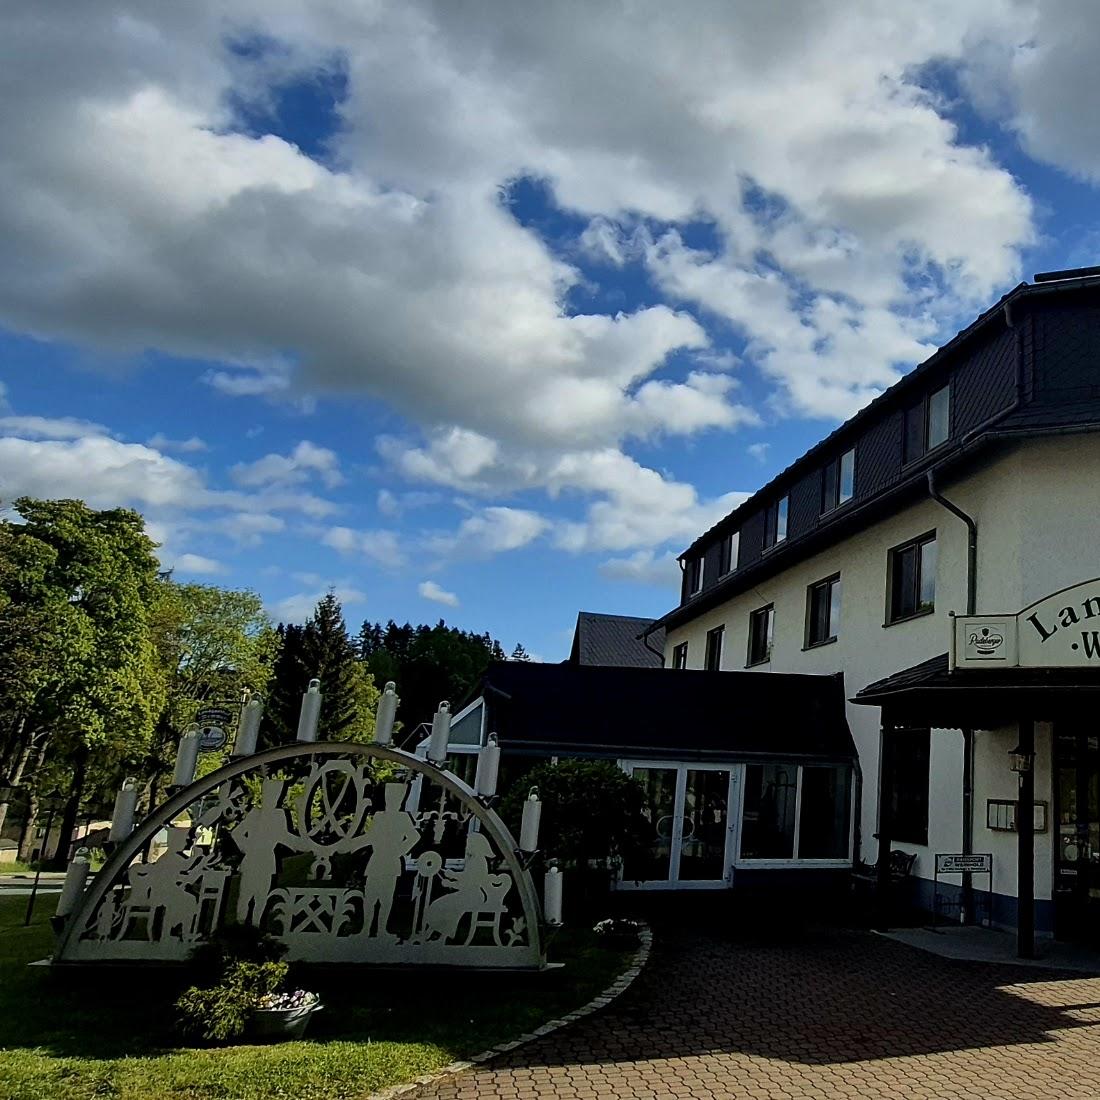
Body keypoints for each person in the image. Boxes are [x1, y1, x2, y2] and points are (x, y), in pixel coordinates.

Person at [360, 783, 421, 939]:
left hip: (391, 862)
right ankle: (366, 928)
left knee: (386, 898)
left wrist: (399, 851)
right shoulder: (380, 816)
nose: (392, 801)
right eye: (390, 797)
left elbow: (414, 836)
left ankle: (381, 929)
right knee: (370, 896)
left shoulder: (402, 817)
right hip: (377, 859)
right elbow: (371, 836)